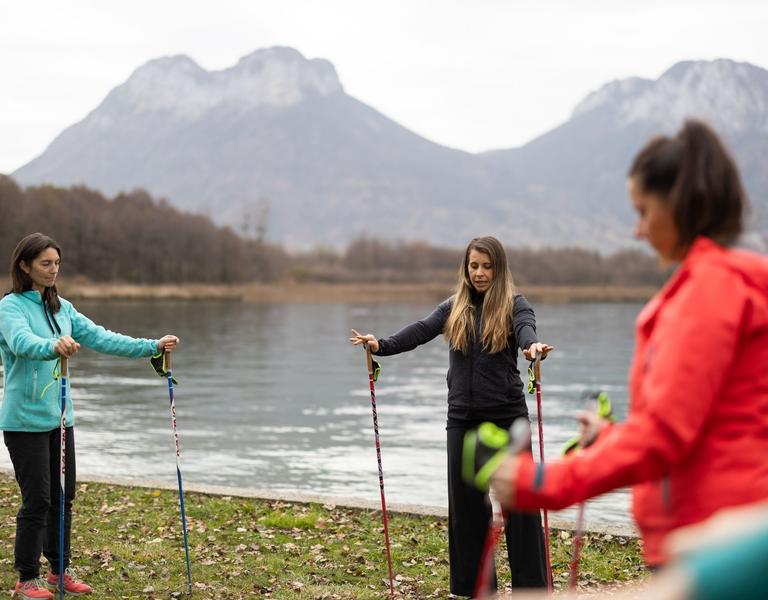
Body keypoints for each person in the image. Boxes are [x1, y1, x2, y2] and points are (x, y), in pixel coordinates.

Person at [485, 120, 768, 570]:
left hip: (713, 544)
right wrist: (610, 438)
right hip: (720, 534)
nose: (637, 231)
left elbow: (662, 437)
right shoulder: (721, 284)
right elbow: (703, 427)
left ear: (680, 206)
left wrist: (545, 482)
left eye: (643, 212)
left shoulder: (710, 293)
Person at [349, 235, 554, 597]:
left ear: (499, 268)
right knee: (467, 509)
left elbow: (526, 331)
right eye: (473, 266)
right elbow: (420, 330)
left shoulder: (515, 305)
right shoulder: (454, 306)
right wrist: (381, 344)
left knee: (519, 504)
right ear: (465, 268)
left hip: (508, 417)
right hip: (462, 418)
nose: (479, 273)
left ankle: (532, 589)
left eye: (487, 266)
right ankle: (476, 588)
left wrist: (531, 347)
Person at [0, 233, 180, 600]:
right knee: (38, 500)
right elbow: (21, 343)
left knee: (63, 498)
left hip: (61, 419)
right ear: (25, 266)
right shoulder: (10, 308)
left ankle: (58, 571)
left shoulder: (61, 308)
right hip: (24, 421)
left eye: (57, 263)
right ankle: (26, 579)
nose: (53, 270)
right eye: (45, 264)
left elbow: (102, 337)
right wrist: (53, 345)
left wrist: (151, 346)